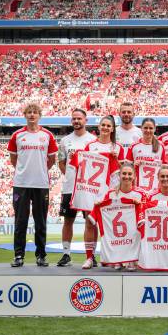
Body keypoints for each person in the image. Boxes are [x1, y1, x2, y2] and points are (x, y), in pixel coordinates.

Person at [7, 103, 58, 267]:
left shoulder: (47, 135)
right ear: (25, 115)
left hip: (41, 184)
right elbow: (13, 159)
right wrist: (25, 171)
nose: (31, 115)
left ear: (39, 115)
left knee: (40, 221)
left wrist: (39, 171)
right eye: (29, 112)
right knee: (20, 221)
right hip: (21, 184)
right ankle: (18, 256)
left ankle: (41, 255)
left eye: (35, 112)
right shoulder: (17, 135)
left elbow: (51, 160)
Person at [80, 115, 125, 269]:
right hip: (93, 190)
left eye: (108, 126)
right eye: (103, 125)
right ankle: (89, 257)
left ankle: (113, 257)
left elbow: (123, 171)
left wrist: (117, 160)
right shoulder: (90, 146)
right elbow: (84, 168)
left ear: (112, 129)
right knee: (89, 223)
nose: (105, 128)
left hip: (111, 190)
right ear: (99, 127)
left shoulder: (118, 148)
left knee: (111, 225)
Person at [56, 108, 96, 267]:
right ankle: (66, 254)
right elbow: (61, 162)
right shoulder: (65, 141)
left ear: (86, 120)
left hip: (87, 188)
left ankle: (91, 255)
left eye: (79, 118)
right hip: (70, 188)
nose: (76, 121)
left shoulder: (93, 140)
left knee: (91, 222)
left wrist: (83, 180)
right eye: (74, 119)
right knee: (68, 221)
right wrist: (72, 176)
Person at [87, 163, 144, 270]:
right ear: (119, 175)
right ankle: (118, 259)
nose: (127, 176)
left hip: (133, 233)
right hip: (117, 233)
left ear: (135, 176)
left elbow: (145, 214)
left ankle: (132, 258)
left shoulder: (141, 194)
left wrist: (140, 204)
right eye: (124, 174)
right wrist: (99, 205)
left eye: (129, 174)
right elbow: (104, 211)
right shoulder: (111, 194)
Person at [127, 118, 167, 192]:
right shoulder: (134, 146)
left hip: (155, 189)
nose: (148, 130)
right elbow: (126, 167)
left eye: (151, 128)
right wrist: (133, 165)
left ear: (154, 129)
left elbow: (164, 169)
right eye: (145, 128)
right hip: (137, 188)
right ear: (141, 128)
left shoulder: (161, 146)